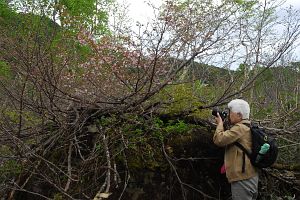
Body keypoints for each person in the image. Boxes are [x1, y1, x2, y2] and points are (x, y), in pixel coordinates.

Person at [213, 99, 258, 200]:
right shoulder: (248, 126)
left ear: (239, 115)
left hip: (242, 178)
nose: (229, 115)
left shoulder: (240, 128)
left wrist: (220, 123)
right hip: (250, 175)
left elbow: (219, 140)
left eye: (231, 113)